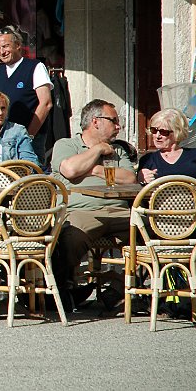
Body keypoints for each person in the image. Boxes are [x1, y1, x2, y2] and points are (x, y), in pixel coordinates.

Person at [51, 99, 136, 308]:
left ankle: (123, 289)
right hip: (82, 212)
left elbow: (129, 178)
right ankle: (63, 291)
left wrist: (93, 170)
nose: (119, 127)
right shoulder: (66, 145)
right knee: (68, 238)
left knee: (152, 232)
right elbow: (70, 170)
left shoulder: (119, 150)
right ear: (96, 121)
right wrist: (97, 150)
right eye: (114, 121)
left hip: (118, 212)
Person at [0, 27, 52, 162]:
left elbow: (46, 103)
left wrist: (28, 135)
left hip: (32, 139)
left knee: (32, 178)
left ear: (18, 45)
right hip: (6, 138)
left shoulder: (35, 66)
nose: (2, 51)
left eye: (6, 46)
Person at [137, 109, 196, 183]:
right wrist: (141, 178)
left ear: (177, 132)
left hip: (192, 194)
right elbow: (139, 188)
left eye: (163, 132)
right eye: (154, 130)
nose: (157, 136)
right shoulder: (148, 159)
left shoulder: (195, 154)